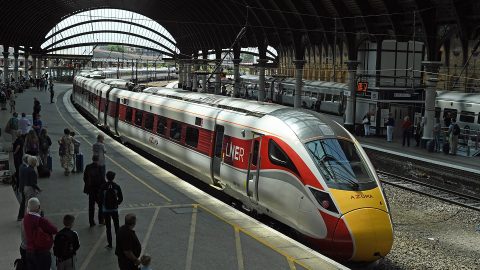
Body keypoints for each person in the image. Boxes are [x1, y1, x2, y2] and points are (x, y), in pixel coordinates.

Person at [23, 197, 58, 270]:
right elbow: (54, 230)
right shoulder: (41, 220)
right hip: (41, 253)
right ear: (38, 207)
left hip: (29, 251)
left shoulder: (26, 218)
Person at [99, 171, 123, 248]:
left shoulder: (103, 186)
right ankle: (119, 244)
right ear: (113, 177)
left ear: (106, 177)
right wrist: (117, 203)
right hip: (114, 210)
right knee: (117, 226)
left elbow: (100, 198)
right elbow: (121, 198)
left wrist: (103, 205)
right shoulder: (117, 186)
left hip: (106, 210)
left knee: (108, 227)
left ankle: (110, 244)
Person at [84, 155, 105, 227]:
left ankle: (91, 222)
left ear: (92, 159)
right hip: (98, 190)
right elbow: (102, 179)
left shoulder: (88, 167)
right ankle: (101, 220)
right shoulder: (100, 167)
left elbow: (85, 177)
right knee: (101, 205)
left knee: (91, 206)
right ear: (98, 160)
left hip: (90, 190)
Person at [17, 154, 30, 221]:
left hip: (23, 187)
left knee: (24, 201)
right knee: (24, 202)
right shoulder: (24, 168)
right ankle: (21, 216)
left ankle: (21, 216)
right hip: (24, 187)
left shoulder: (22, 166)